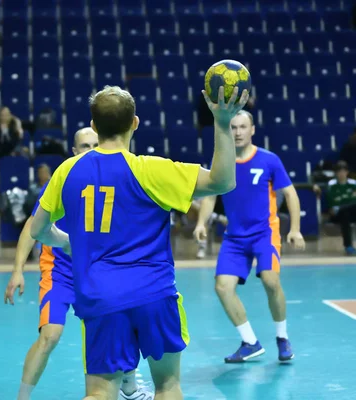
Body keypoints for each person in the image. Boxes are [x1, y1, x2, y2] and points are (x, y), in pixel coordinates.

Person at [29, 85, 249, 400]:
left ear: (93, 126)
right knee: (167, 386)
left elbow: (38, 230)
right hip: (154, 293)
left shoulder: (68, 170)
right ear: (135, 122)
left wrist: (66, 242)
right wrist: (222, 121)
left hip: (100, 296)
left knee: (99, 393)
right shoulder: (152, 170)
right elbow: (223, 181)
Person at [6, 128, 156, 400]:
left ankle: (129, 387)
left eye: (95, 144)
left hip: (99, 270)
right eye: (84, 145)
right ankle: (22, 398)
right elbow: (32, 225)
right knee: (50, 336)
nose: (90, 149)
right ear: (74, 151)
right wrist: (17, 270)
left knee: (124, 321)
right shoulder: (64, 179)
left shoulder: (120, 179)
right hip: (60, 270)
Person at [193, 110, 306, 364]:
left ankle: (282, 337)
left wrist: (295, 228)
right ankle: (250, 342)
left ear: (252, 130)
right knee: (222, 288)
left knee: (270, 280)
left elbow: (291, 194)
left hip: (265, 233)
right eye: (232, 127)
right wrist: (201, 222)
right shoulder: (222, 162)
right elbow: (210, 196)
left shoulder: (269, 160)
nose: (238, 132)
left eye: (243, 127)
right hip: (234, 238)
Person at [326, 160, 356, 255]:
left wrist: (342, 200)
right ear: (336, 173)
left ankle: (348, 246)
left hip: (351, 212)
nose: (342, 174)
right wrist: (350, 197)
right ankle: (348, 246)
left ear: (347, 172)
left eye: (344, 171)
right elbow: (332, 201)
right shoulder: (332, 184)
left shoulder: (353, 183)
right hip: (336, 215)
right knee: (344, 214)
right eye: (339, 171)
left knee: (346, 211)